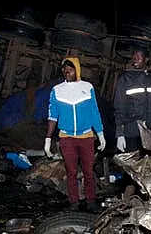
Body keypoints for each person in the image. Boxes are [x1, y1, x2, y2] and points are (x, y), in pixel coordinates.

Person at [44, 57, 106, 213]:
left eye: (70, 69)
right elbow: (52, 115)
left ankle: (91, 201)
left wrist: (100, 134)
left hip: (86, 137)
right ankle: (74, 203)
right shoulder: (57, 90)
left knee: (88, 171)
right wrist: (47, 139)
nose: (67, 72)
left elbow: (94, 112)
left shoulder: (87, 87)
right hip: (67, 137)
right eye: (64, 69)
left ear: (77, 70)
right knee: (71, 172)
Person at [113, 47, 151, 152]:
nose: (135, 59)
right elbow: (119, 107)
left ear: (146, 59)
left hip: (149, 130)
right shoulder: (125, 78)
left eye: (139, 57)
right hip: (131, 130)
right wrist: (119, 133)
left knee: (148, 163)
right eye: (134, 56)